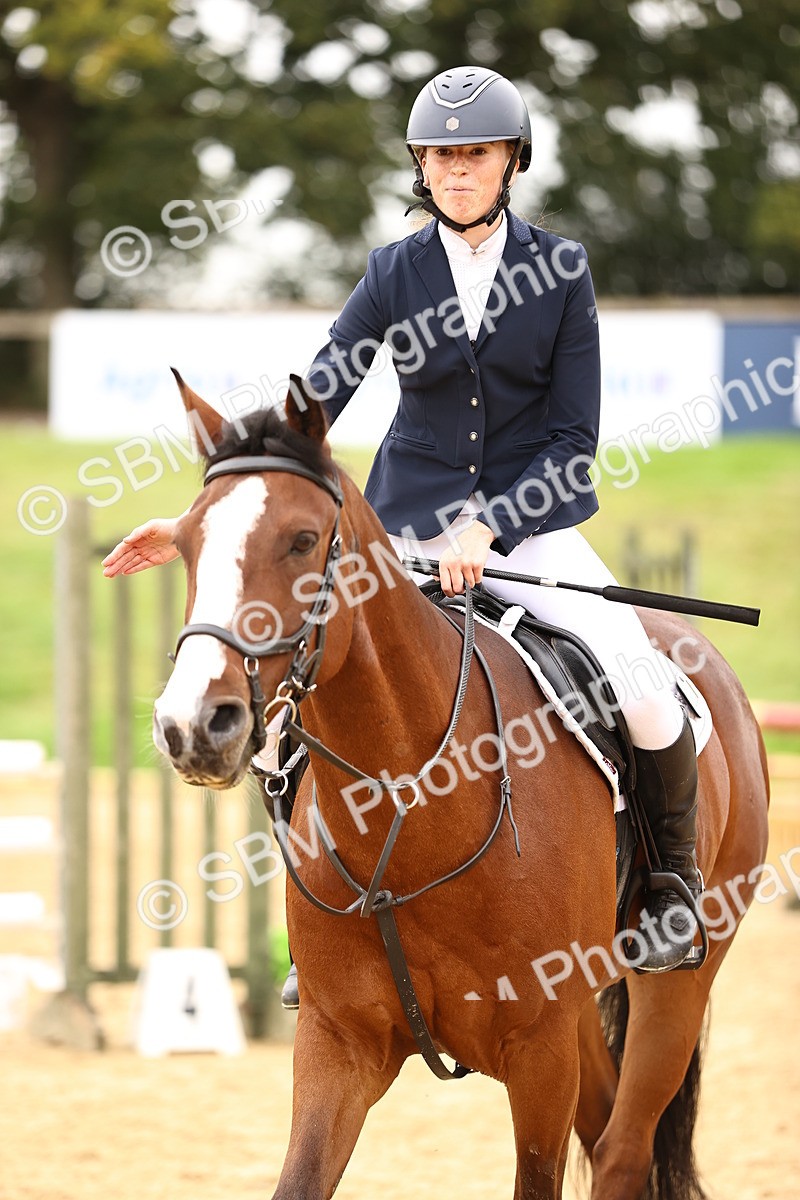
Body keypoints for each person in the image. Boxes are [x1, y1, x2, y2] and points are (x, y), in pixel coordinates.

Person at [103, 66, 703, 999]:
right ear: (421, 169)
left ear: (510, 163)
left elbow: (573, 441)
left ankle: (668, 888)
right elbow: (312, 404)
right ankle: (322, 918)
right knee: (286, 707)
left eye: (474, 154)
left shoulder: (562, 270)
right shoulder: (395, 271)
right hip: (404, 531)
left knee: (643, 684)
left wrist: (493, 526)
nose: (456, 170)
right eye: (439, 156)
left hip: (528, 527)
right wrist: (207, 518)